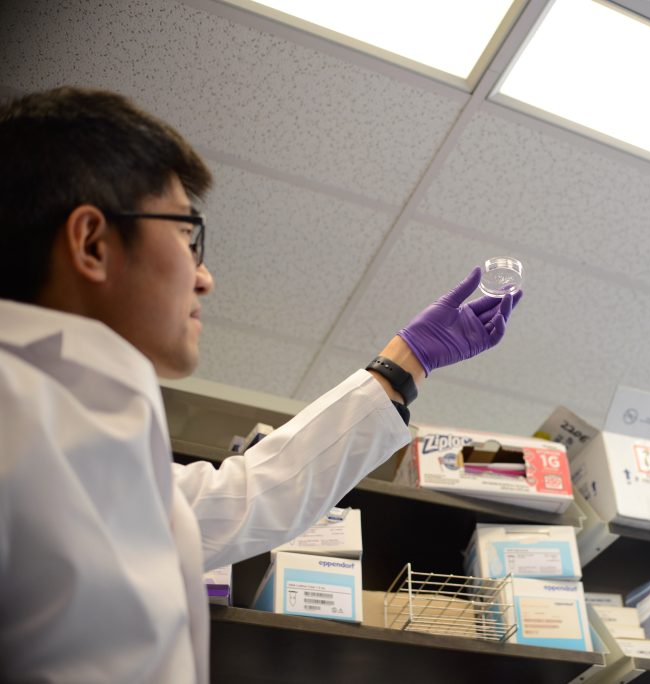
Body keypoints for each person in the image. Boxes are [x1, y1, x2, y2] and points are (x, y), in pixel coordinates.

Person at [0, 87, 522, 683]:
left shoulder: (102, 448)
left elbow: (255, 495)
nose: (204, 277)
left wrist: (405, 362)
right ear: (93, 243)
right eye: (185, 234)